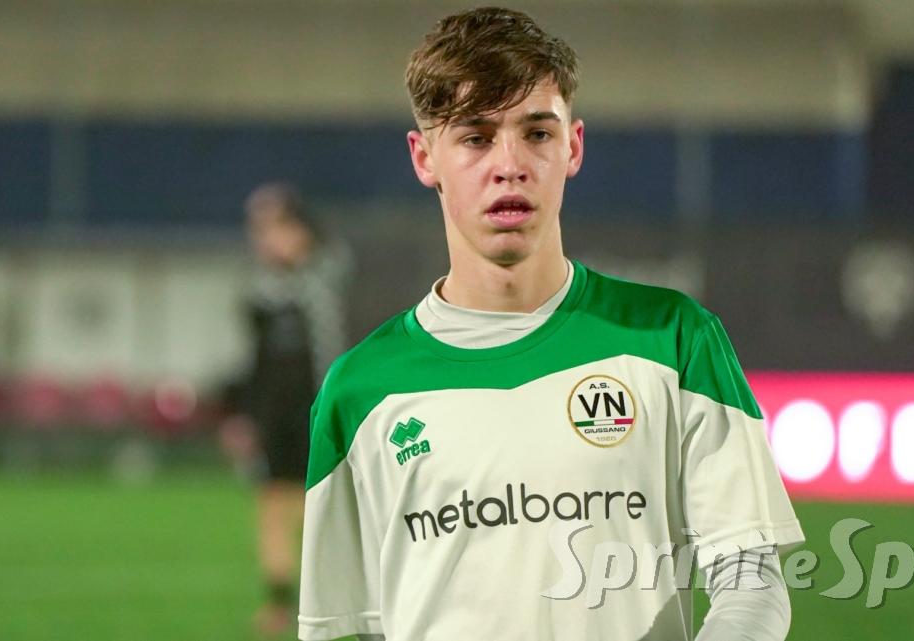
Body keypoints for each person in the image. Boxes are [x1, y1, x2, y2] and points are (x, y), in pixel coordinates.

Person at [298, 7, 803, 641]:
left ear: (573, 147)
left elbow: (751, 581)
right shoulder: (358, 392)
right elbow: (345, 627)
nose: (509, 164)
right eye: (476, 137)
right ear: (425, 158)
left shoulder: (674, 340)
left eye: (537, 133)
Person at [219, 183, 351, 637]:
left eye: (276, 228)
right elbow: (254, 360)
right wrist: (243, 417)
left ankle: (341, 597)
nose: (266, 240)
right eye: (259, 230)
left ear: (301, 230)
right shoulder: (258, 292)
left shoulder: (324, 277)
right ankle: (278, 602)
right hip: (274, 416)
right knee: (273, 503)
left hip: (319, 409)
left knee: (323, 505)